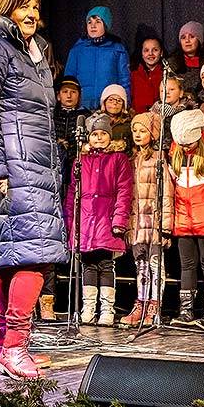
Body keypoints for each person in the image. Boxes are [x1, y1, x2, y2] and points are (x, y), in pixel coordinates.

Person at [0, 0, 69, 380]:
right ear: (7, 6)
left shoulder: (35, 51)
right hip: (12, 166)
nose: (31, 13)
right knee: (34, 255)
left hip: (37, 165)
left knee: (13, 255)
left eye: (36, 6)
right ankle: (14, 348)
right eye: (24, 5)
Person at [65, 113, 132, 326]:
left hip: (107, 219)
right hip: (85, 222)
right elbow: (72, 193)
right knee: (88, 265)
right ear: (88, 138)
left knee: (105, 264)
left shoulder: (118, 159)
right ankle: (88, 307)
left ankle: (107, 310)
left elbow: (124, 191)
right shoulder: (80, 160)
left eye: (104, 133)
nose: (100, 138)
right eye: (95, 134)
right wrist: (70, 223)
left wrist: (119, 220)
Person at [168, 109, 204, 332]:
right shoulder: (174, 154)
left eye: (189, 144)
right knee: (187, 265)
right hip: (184, 217)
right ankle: (186, 310)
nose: (185, 148)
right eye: (182, 144)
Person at [120, 112, 174, 327]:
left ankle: (154, 304)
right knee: (140, 264)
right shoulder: (131, 160)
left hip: (154, 222)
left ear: (153, 134)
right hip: (137, 222)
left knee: (154, 264)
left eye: (143, 131)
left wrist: (166, 227)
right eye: (135, 131)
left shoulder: (159, 160)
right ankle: (140, 303)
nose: (138, 135)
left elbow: (167, 194)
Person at [45, 74, 91, 321]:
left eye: (73, 91)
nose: (69, 95)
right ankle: (45, 301)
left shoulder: (85, 117)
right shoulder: (51, 116)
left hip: (76, 179)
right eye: (64, 91)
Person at [63, 6, 131, 110]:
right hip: (82, 109)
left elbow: (124, 81)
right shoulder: (77, 50)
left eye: (98, 22)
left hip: (108, 110)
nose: (93, 26)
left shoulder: (117, 50)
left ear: (106, 25)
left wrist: (126, 106)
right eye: (89, 22)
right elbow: (69, 81)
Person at [166, 21, 204, 98]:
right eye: (183, 37)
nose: (187, 41)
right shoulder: (172, 63)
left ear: (199, 40)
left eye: (191, 36)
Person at [130, 36, 166, 114]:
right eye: (146, 50)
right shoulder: (134, 74)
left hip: (159, 119)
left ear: (161, 53)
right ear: (142, 54)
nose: (150, 54)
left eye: (155, 50)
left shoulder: (166, 74)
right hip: (137, 119)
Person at [98, 83, 133, 153]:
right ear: (104, 103)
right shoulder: (95, 121)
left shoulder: (129, 124)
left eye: (119, 100)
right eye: (111, 100)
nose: (115, 103)